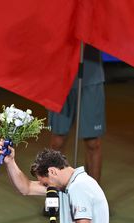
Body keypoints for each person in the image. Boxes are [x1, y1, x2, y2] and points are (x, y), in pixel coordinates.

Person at [48, 45, 106, 184]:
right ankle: (55, 191)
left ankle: (92, 193)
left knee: (92, 142)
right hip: (60, 76)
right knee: (58, 141)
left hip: (90, 76)